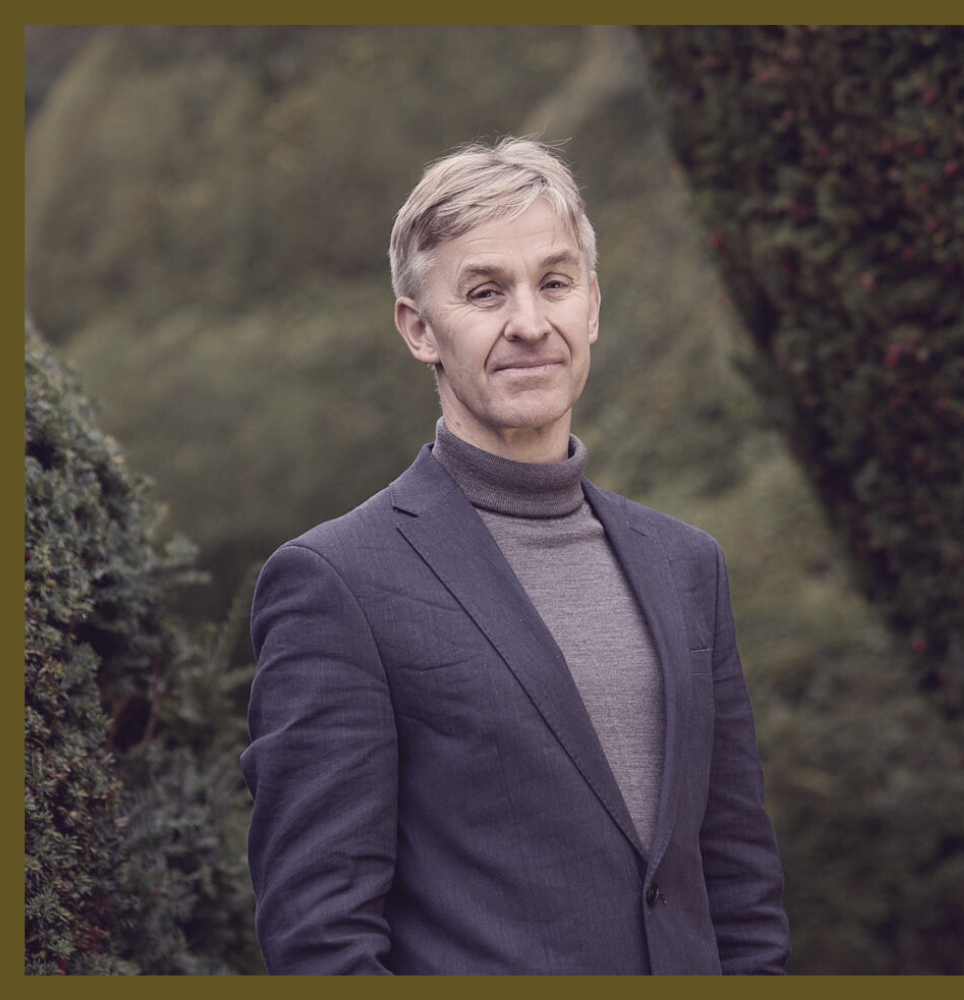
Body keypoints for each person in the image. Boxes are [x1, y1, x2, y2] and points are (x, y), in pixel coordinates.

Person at [240, 136, 790, 975]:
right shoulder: (336, 584)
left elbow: (742, 895)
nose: (529, 323)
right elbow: (321, 941)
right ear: (419, 328)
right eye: (485, 291)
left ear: (593, 307)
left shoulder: (688, 567)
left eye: (555, 283)